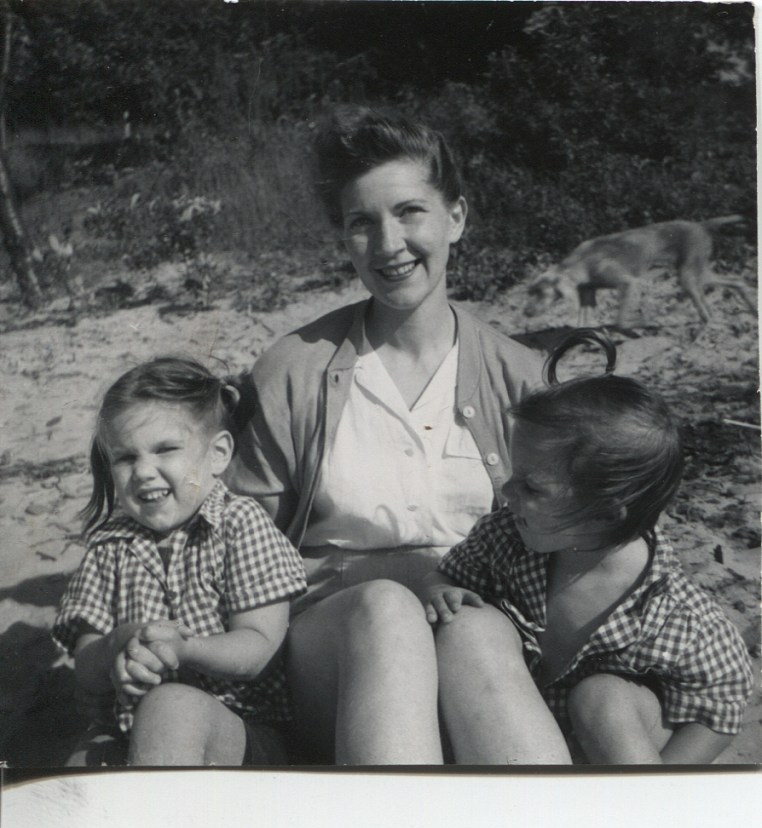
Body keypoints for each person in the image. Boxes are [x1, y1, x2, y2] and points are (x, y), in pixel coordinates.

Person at [226, 106, 547, 764]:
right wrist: (401, 574)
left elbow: (567, 548)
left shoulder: (521, 377)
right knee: (388, 612)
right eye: (361, 223)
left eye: (409, 212)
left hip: (476, 647)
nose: (388, 244)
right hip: (333, 645)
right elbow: (241, 555)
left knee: (477, 629)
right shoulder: (294, 369)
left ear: (456, 217)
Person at [422, 329, 754, 765]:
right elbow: (448, 574)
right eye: (513, 474)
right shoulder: (505, 540)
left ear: (605, 512)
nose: (506, 490)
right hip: (518, 738)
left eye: (532, 486)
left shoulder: (674, 613)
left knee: (603, 700)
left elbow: (722, 700)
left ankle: (641, 812)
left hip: (615, 748)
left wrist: (672, 778)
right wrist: (436, 590)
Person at [53, 357, 307, 766]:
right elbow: (86, 667)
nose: (144, 472)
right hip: (128, 732)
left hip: (242, 734)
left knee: (172, 709)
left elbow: (258, 648)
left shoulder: (240, 525)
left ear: (218, 454)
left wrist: (185, 648)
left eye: (166, 450)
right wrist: (118, 645)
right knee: (70, 779)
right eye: (125, 458)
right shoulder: (108, 546)